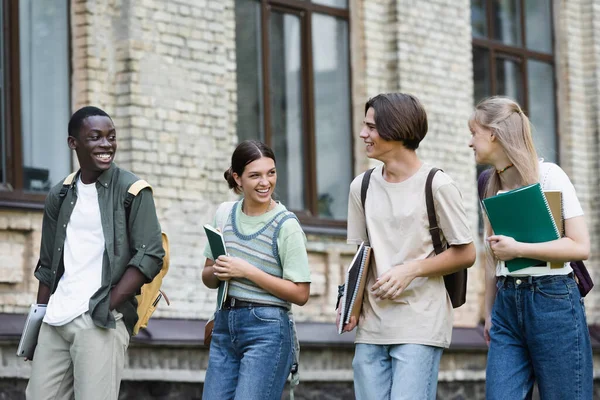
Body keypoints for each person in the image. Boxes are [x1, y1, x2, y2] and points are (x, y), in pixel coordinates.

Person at [341, 93, 476, 400]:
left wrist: (411, 270)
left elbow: (466, 252)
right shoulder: (360, 186)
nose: (364, 134)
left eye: (371, 127)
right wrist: (350, 302)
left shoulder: (437, 185)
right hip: (372, 327)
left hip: (420, 322)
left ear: (397, 130)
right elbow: (364, 254)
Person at [27, 106, 164, 400]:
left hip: (100, 319)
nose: (106, 145)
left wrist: (107, 306)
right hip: (56, 317)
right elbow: (48, 265)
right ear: (73, 142)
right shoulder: (60, 194)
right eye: (95, 137)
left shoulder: (133, 190)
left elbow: (150, 255)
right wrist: (37, 323)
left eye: (111, 137)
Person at [470, 96, 593, 399]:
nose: (470, 142)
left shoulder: (550, 176)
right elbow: (493, 252)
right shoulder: (489, 182)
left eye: (474, 133)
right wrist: (488, 311)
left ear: (494, 134)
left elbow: (580, 246)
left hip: (553, 302)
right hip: (507, 306)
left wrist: (519, 248)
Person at [201, 140, 311, 400]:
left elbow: (301, 293)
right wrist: (219, 270)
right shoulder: (224, 215)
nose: (265, 182)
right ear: (238, 178)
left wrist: (247, 271)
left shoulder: (286, 225)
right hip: (225, 326)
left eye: (270, 173)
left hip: (268, 330)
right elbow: (207, 276)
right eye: (255, 175)